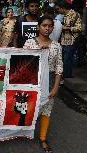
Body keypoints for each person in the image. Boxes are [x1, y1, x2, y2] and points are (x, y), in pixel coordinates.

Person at [24, 16, 63, 153]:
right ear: (38, 27)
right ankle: (24, 131)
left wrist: (56, 86)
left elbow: (59, 68)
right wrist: (37, 52)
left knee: (47, 109)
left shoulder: (56, 46)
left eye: (50, 26)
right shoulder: (30, 43)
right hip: (33, 81)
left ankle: (43, 138)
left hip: (50, 81)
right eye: (44, 25)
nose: (47, 28)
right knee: (30, 107)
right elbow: (23, 63)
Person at [56, 1, 82, 78]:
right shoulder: (64, 16)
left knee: (67, 59)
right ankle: (65, 76)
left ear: (63, 8)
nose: (58, 10)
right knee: (64, 59)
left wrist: (67, 28)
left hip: (71, 41)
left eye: (58, 9)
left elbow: (79, 28)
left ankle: (67, 77)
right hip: (63, 41)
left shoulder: (75, 15)